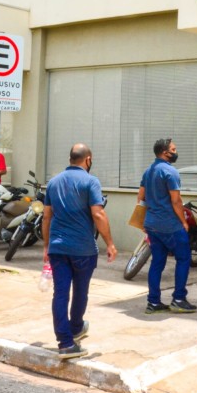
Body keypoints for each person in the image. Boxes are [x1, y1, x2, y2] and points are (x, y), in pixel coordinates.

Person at [42, 143, 117, 360]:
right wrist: (110, 243)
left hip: (57, 247)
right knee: (80, 291)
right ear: (88, 159)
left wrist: (46, 246)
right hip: (83, 249)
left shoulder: (53, 182)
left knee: (60, 293)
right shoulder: (91, 181)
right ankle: (75, 329)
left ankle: (65, 343)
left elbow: (46, 217)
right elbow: (98, 214)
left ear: (70, 159)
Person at [138, 138, 197, 314]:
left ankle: (153, 302)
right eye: (174, 149)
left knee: (157, 262)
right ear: (165, 152)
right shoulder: (170, 172)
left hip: (152, 225)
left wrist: (143, 221)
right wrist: (184, 222)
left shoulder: (148, 171)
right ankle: (178, 299)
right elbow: (176, 201)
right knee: (183, 259)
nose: (176, 152)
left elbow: (141, 198)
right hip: (170, 225)